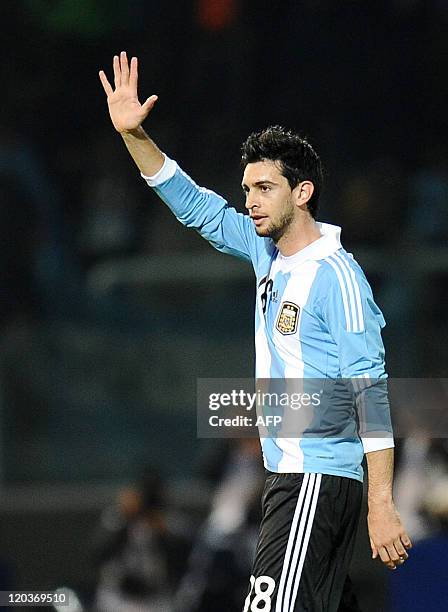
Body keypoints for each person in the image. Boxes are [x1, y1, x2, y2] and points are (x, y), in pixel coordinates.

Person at [99, 52, 412, 611]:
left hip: (313, 478)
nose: (250, 201)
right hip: (292, 478)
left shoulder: (335, 276)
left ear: (302, 192)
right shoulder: (264, 251)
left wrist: (382, 503)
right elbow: (196, 207)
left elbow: (370, 388)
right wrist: (134, 135)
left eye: (264, 188)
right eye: (247, 188)